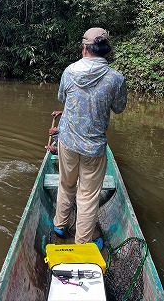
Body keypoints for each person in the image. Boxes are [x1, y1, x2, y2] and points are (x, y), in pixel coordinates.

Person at [51, 27, 127, 251]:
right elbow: (119, 107)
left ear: (85, 48)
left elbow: (62, 97)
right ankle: (83, 241)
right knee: (88, 194)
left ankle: (60, 225)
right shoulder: (116, 78)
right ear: (106, 51)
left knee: (66, 184)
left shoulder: (70, 71)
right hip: (93, 147)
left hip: (67, 142)